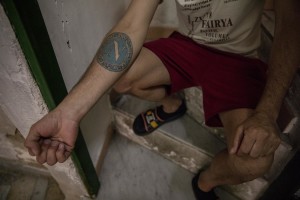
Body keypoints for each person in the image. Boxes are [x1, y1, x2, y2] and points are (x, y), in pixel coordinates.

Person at [25, 0, 300, 199]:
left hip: (236, 60)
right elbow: (131, 26)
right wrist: (69, 112)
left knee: (254, 162)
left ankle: (204, 182)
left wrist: (267, 111)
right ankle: (172, 106)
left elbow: (291, 24)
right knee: (123, 79)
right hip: (188, 45)